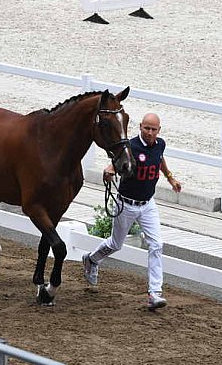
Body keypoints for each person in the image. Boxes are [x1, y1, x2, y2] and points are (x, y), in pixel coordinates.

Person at [83, 112, 182, 310]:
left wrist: (170, 177)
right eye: (147, 128)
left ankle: (155, 293)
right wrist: (109, 170)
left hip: (147, 205)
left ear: (159, 131)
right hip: (126, 204)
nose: (150, 133)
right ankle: (91, 259)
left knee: (156, 244)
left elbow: (160, 160)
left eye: (154, 130)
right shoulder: (132, 146)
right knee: (116, 244)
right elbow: (115, 162)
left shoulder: (160, 144)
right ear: (140, 127)